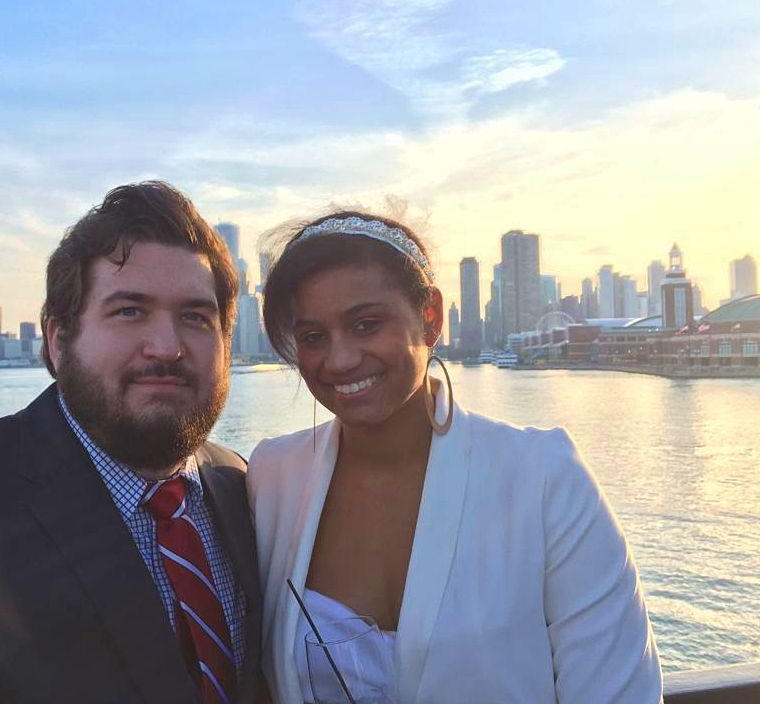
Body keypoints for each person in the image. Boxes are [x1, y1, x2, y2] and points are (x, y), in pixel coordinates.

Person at [247, 211, 663, 704]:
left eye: (366, 324)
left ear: (431, 317)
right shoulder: (273, 477)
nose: (339, 359)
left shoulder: (543, 477)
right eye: (313, 337)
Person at [0, 182, 266, 704]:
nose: (166, 347)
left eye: (194, 316)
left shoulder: (241, 484)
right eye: (129, 311)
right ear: (58, 339)